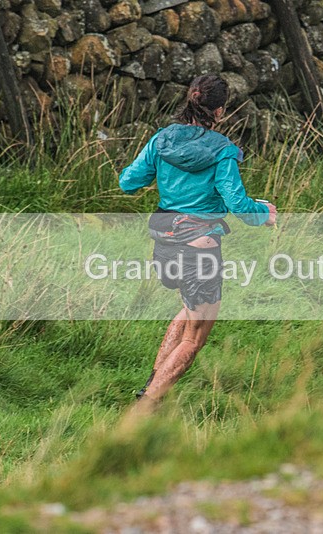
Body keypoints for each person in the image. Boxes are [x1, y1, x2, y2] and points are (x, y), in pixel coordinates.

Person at [118, 74, 277, 405]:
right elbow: (239, 206)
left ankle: (152, 385)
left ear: (188, 100)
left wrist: (163, 176)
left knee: (188, 309)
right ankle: (143, 409)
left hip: (164, 241)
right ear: (219, 111)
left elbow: (128, 182)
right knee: (195, 337)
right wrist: (263, 212)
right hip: (198, 245)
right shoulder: (222, 151)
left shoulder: (161, 140)